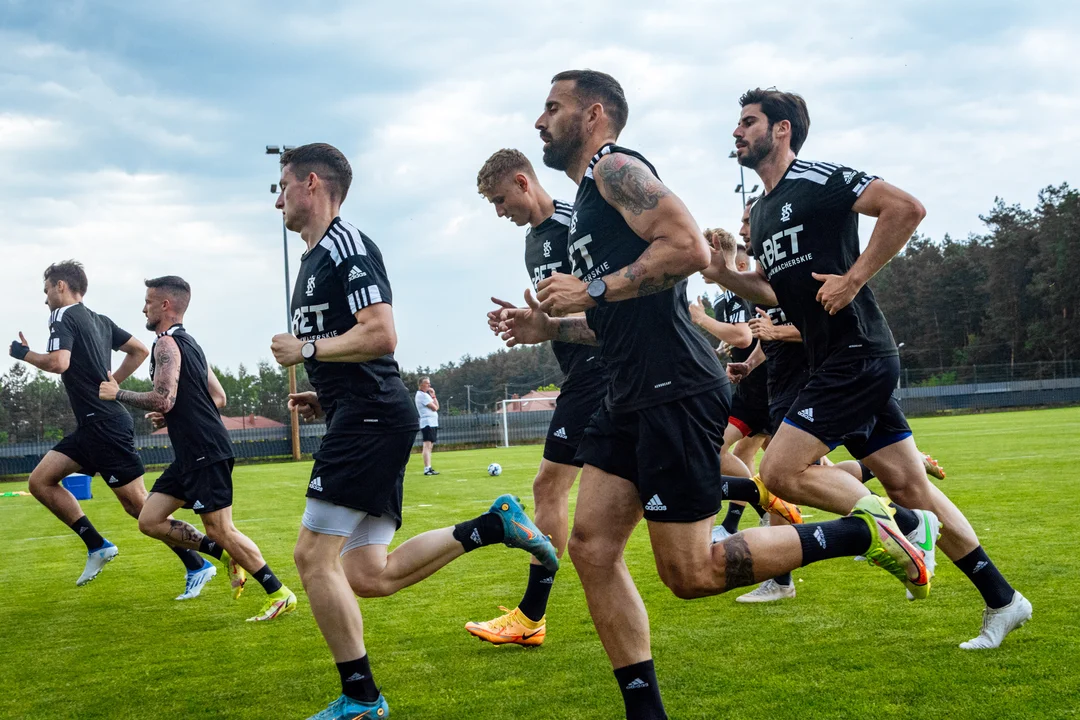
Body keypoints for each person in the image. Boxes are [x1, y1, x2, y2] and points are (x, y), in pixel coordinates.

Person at [499, 70, 929, 720]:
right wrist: (550, 327)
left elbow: (689, 248)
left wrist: (591, 288)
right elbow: (618, 309)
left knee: (691, 574)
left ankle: (863, 534)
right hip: (625, 389)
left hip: (673, 385)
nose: (540, 121)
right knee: (591, 548)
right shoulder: (587, 202)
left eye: (552, 107)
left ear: (593, 115)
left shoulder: (615, 168)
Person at [709, 87, 1029, 648]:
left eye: (749, 121)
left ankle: (903, 530)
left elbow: (906, 208)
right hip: (832, 360)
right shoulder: (760, 211)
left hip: (857, 353)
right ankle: (1003, 600)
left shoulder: (817, 179)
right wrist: (724, 275)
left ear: (782, 129)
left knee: (780, 472)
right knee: (910, 486)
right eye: (737, 123)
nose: (737, 131)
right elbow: (772, 289)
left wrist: (853, 278)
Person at [268, 143, 558, 720]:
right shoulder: (311, 260)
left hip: (371, 418)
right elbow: (358, 353)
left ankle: (361, 698)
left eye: (282, 187)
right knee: (367, 575)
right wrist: (326, 395)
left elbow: (381, 335)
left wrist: (306, 351)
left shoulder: (347, 247)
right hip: (362, 413)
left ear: (312, 183)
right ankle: (493, 526)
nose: (277, 201)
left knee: (311, 558)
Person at [471, 148, 610, 646]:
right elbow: (556, 314)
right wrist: (525, 318)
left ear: (522, 182)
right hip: (584, 370)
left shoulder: (578, 222)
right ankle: (758, 492)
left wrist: (550, 323)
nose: (498, 211)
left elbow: (609, 302)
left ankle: (531, 617)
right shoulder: (533, 243)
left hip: (601, 368)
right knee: (653, 480)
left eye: (500, 199)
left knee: (549, 487)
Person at [100, 276, 297, 620]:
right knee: (149, 519)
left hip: (205, 449)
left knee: (221, 529)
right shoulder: (192, 345)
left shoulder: (165, 344)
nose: (143, 309)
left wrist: (118, 393)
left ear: (165, 305)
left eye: (148, 302)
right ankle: (227, 557)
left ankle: (279, 593)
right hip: (191, 453)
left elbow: (163, 398)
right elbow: (218, 397)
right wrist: (174, 413)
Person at [8, 261, 208, 595]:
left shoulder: (61, 315)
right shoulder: (99, 320)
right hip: (92, 426)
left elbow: (59, 362)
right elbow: (138, 350)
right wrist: (112, 382)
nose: (45, 299)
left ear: (61, 286)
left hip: (105, 426)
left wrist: (24, 353)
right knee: (40, 481)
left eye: (46, 291)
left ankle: (202, 560)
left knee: (140, 507)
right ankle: (97, 545)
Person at [414, 376, 440, 475]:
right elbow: (434, 408)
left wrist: (433, 396)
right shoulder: (421, 395)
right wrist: (433, 400)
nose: (429, 385)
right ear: (421, 384)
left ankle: (429, 467)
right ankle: (427, 468)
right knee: (427, 446)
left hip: (432, 422)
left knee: (430, 446)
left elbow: (437, 406)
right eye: (427, 383)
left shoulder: (426, 395)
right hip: (427, 422)